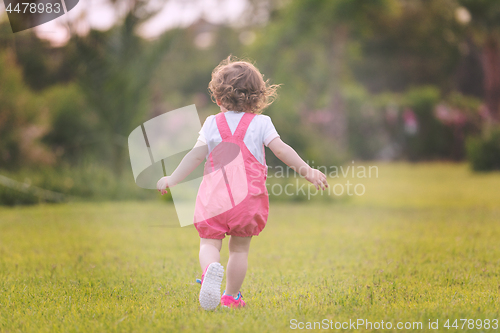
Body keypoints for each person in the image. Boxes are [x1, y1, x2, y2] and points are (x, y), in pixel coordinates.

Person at [157, 56, 328, 310]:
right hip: (246, 200)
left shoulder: (212, 123)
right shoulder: (261, 123)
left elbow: (195, 155)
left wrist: (173, 178)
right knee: (239, 250)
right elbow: (281, 150)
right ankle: (230, 297)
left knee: (208, 243)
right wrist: (307, 170)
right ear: (258, 97)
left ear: (217, 98)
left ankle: (209, 273)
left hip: (214, 197)